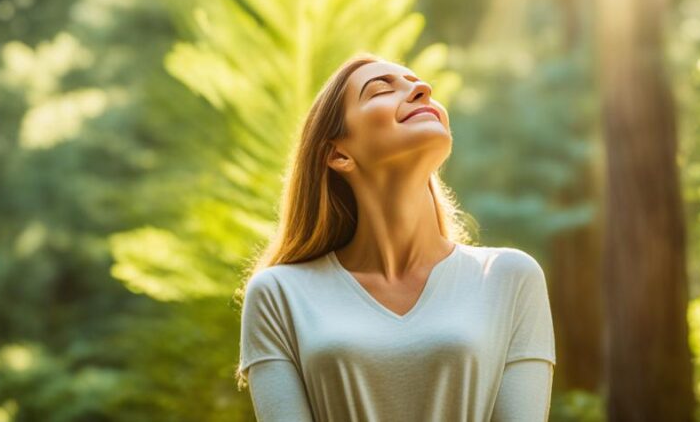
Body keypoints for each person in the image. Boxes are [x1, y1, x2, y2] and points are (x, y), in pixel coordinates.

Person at [234, 52, 556, 421]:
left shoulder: (510, 277)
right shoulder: (279, 293)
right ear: (338, 154)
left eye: (417, 82)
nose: (423, 88)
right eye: (380, 90)